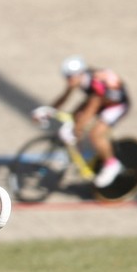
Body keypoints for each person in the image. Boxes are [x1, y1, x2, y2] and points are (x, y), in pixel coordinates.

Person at [37, 55, 130, 188]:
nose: (68, 81)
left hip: (116, 105)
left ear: (79, 74)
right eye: (66, 77)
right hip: (101, 99)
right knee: (74, 119)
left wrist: (78, 128)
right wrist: (48, 110)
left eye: (69, 77)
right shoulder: (79, 78)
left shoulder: (94, 83)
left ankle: (112, 165)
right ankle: (74, 154)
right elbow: (64, 97)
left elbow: (91, 109)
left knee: (95, 133)